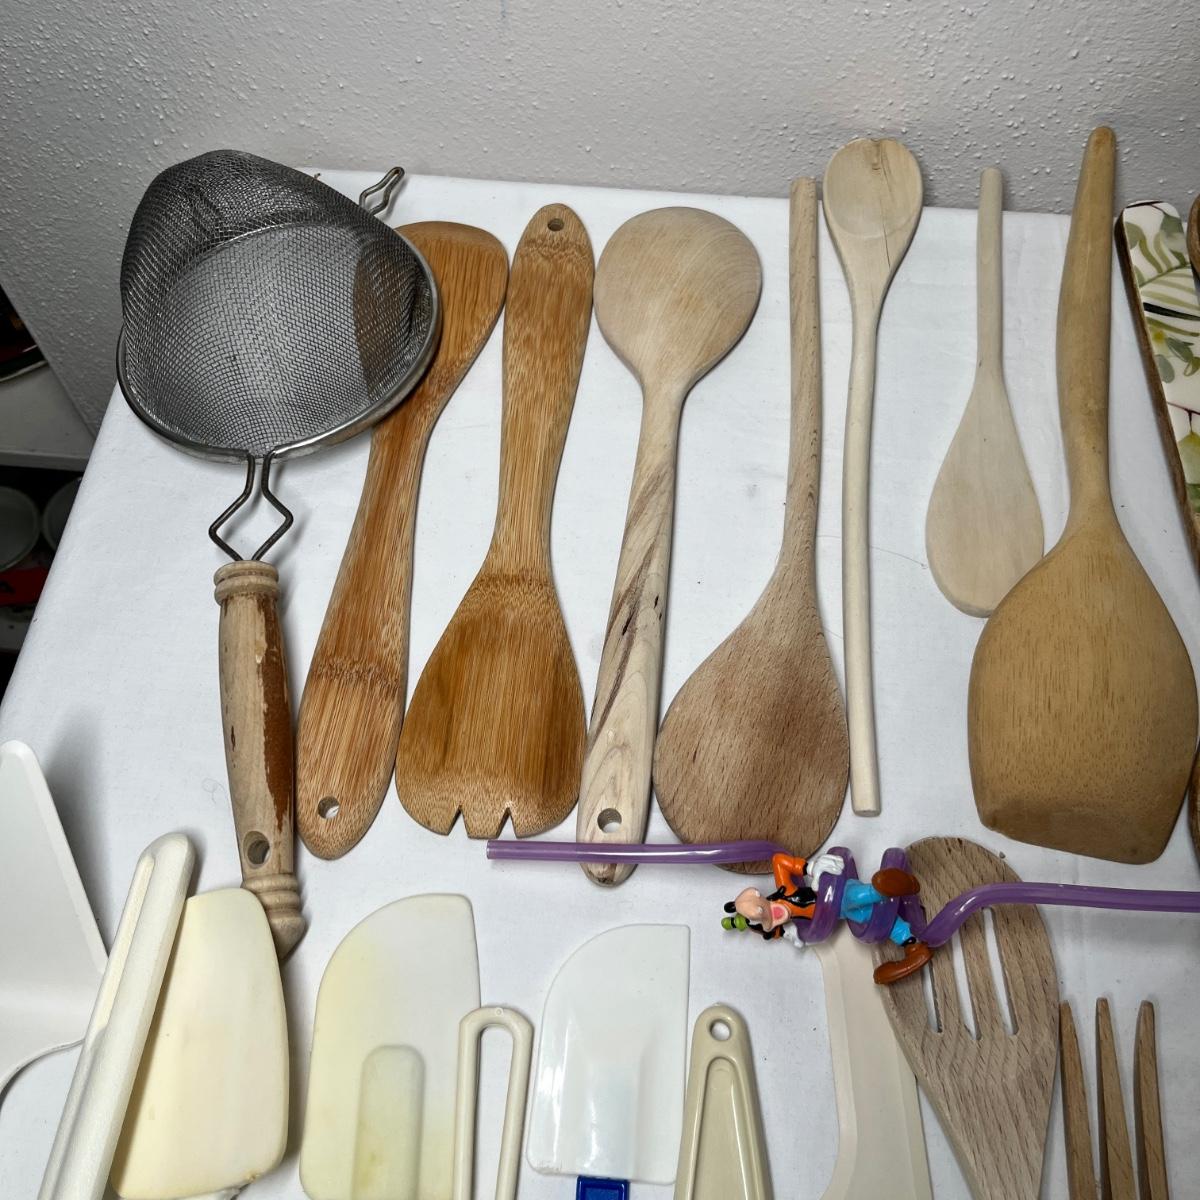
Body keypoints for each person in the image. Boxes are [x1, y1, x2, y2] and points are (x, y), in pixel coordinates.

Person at [722, 851, 933, 984]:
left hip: (839, 892)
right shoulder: (797, 925)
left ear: (763, 897)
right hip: (846, 913)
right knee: (875, 919)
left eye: (766, 910)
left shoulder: (785, 889)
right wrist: (792, 933)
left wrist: (811, 868)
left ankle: (884, 888)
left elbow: (778, 860)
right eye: (769, 921)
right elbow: (792, 932)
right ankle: (913, 946)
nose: (774, 916)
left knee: (853, 897)